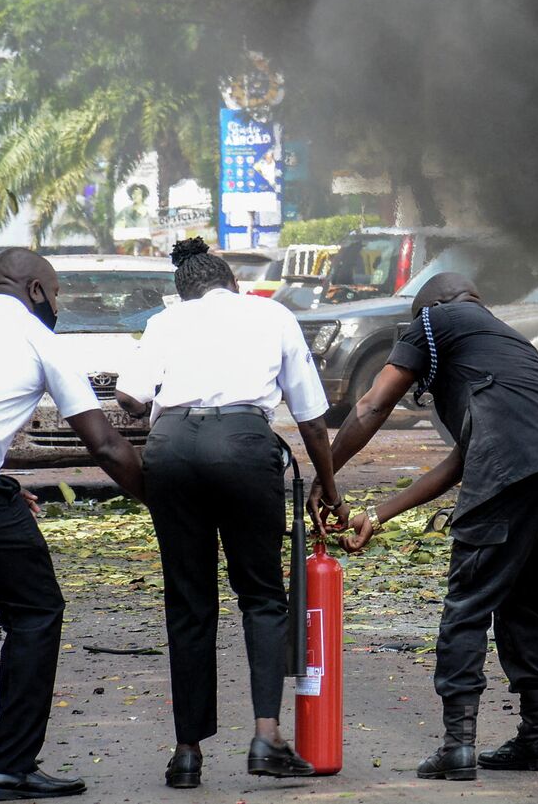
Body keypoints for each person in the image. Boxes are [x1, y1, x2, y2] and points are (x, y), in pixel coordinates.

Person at [328, 272, 538, 781]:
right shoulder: (504, 341)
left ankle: (458, 744)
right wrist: (378, 515)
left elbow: (371, 404)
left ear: (428, 308)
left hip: (518, 459)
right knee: (524, 600)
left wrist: (325, 476)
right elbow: (459, 461)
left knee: (469, 602)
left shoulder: (435, 318)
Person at [112, 238, 343, 789]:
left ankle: (187, 752)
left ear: (183, 290)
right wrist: (329, 490)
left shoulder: (167, 322)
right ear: (232, 284)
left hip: (170, 449)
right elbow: (311, 418)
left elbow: (128, 397)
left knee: (189, 601)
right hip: (242, 444)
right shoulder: (271, 313)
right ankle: (267, 735)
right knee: (261, 594)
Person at [0, 249, 146, 801]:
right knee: (36, 611)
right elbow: (106, 445)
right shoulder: (40, 339)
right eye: (58, 293)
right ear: (37, 291)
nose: (59, 305)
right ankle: (9, 769)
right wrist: (162, 503)